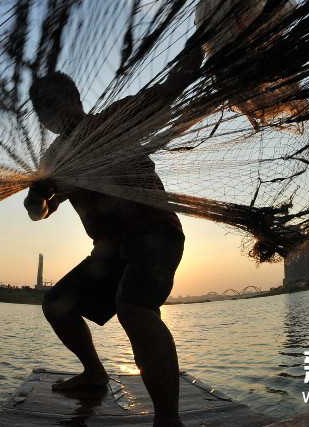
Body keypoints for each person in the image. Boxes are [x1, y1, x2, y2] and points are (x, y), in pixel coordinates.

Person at [24, 44, 203, 427]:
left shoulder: (115, 120)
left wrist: (197, 46)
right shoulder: (52, 161)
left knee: (135, 308)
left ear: (75, 99)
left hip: (155, 234)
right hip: (110, 251)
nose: (54, 116)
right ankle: (94, 373)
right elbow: (34, 212)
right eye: (45, 112)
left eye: (57, 104)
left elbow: (173, 86)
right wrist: (39, 198)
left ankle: (168, 420)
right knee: (57, 304)